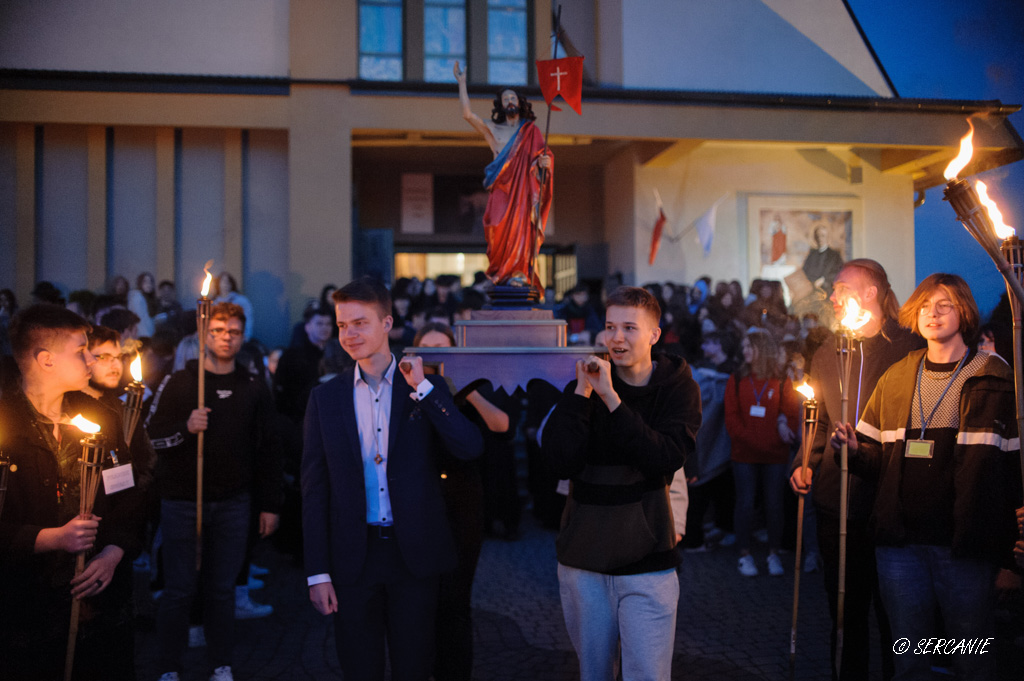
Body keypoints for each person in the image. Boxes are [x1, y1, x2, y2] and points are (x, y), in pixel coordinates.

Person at [832, 272, 1021, 681]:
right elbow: (876, 462)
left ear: (964, 311)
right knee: (910, 659)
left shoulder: (995, 376)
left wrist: (1012, 559)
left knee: (972, 660)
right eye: (924, 307)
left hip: (966, 549)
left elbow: (1014, 474)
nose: (932, 314)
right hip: (902, 549)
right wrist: (852, 451)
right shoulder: (898, 375)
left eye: (944, 305)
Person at [301, 277, 483, 681]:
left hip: (414, 555)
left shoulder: (422, 386)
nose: (349, 334)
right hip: (353, 557)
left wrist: (425, 390)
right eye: (343, 325)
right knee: (359, 669)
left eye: (360, 323)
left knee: (414, 667)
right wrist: (317, 572)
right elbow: (314, 490)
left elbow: (469, 447)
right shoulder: (325, 399)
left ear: (387, 323)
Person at [540, 286, 702, 681]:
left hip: (649, 561)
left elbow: (665, 458)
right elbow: (559, 461)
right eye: (611, 326)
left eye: (630, 327)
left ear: (654, 334)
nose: (617, 338)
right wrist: (582, 394)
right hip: (584, 559)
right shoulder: (586, 382)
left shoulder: (677, 386)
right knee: (594, 672)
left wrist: (612, 399)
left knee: (647, 673)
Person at [789, 259, 921, 681]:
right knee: (845, 613)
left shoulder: (910, 347)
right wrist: (805, 462)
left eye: (841, 287)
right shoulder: (828, 350)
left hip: (889, 499)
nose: (832, 295)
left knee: (895, 614)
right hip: (836, 501)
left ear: (870, 293)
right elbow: (820, 419)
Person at [0, 304, 143, 680]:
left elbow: (128, 495)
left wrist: (113, 551)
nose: (90, 359)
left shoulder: (101, 417)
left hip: (98, 605)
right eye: (80, 351)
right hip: (26, 612)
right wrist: (51, 538)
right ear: (46, 360)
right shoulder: (6, 425)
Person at [148, 302, 283, 681]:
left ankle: (220, 664)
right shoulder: (180, 382)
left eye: (234, 332)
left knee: (222, 589)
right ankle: (169, 667)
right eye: (219, 331)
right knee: (179, 589)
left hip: (234, 503)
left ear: (243, 337)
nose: (226, 338)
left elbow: (269, 448)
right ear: (204, 335)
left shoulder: (252, 386)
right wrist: (185, 428)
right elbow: (150, 438)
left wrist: (270, 504)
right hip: (182, 502)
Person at [413, 322, 516, 681]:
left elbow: (503, 426)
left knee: (456, 598)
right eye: (428, 349)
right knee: (420, 596)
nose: (435, 356)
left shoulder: (472, 386)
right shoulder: (406, 390)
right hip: (420, 499)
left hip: (463, 499)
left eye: (443, 349)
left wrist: (465, 388)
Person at [454, 60, 552, 291]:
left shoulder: (531, 131)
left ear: (520, 103)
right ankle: (500, 271)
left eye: (513, 98)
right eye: (505, 98)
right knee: (496, 227)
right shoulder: (493, 129)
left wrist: (545, 163)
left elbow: (543, 158)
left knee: (521, 229)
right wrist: (462, 83)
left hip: (522, 191)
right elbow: (467, 114)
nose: (509, 101)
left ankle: (519, 272)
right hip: (501, 189)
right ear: (500, 104)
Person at [725, 329, 801, 577]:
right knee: (745, 504)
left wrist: (778, 436)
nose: (745, 351)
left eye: (750, 346)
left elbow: (791, 413)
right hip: (744, 454)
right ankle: (744, 554)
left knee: (774, 504)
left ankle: (773, 553)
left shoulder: (781, 380)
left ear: (762, 349)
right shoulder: (737, 379)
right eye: (744, 347)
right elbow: (731, 418)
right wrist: (754, 440)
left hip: (775, 455)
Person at [802, 224, 845, 293]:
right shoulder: (812, 254)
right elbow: (805, 271)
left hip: (828, 290)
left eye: (823, 236)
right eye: (817, 236)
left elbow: (839, 272)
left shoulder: (834, 255)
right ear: (815, 238)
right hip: (812, 290)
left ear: (827, 237)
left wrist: (824, 280)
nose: (820, 238)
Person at [213, 272, 255, 341]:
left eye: (227, 282)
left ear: (231, 284)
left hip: (236, 336)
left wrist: (246, 335)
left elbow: (248, 319)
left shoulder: (241, 301)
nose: (225, 285)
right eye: (222, 282)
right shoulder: (213, 302)